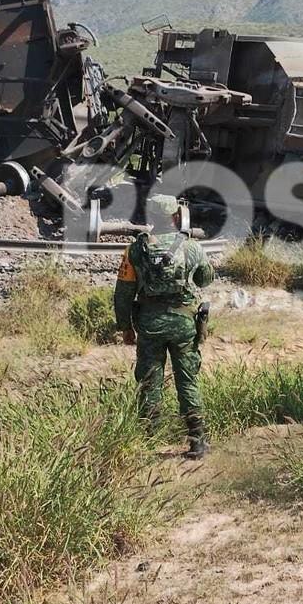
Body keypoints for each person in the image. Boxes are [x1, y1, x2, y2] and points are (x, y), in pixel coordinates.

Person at [114, 194, 215, 458]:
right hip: (184, 324)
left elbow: (123, 292)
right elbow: (205, 280)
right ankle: (197, 441)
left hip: (149, 324)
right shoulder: (191, 247)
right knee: (188, 380)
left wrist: (125, 327)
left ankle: (150, 440)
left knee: (149, 381)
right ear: (176, 216)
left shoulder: (136, 249)